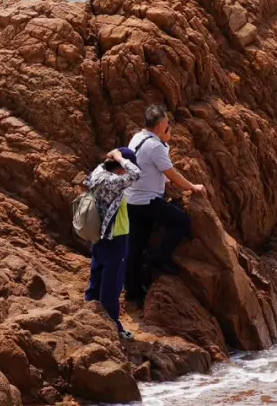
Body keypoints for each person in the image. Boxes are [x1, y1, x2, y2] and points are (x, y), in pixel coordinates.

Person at [124, 105, 207, 305]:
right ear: (160, 126)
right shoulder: (156, 146)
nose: (169, 126)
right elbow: (171, 173)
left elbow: (151, 169)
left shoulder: (137, 138)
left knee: (135, 245)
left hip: (131, 200)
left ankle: (133, 290)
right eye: (167, 124)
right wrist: (192, 187)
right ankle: (160, 258)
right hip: (147, 201)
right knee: (182, 222)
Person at [84, 146, 141, 338]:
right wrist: (120, 157)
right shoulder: (112, 182)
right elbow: (136, 174)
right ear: (122, 165)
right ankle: (112, 323)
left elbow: (113, 168)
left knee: (97, 272)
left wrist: (112, 157)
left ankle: (90, 310)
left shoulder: (98, 174)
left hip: (99, 234)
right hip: (115, 236)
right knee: (113, 281)